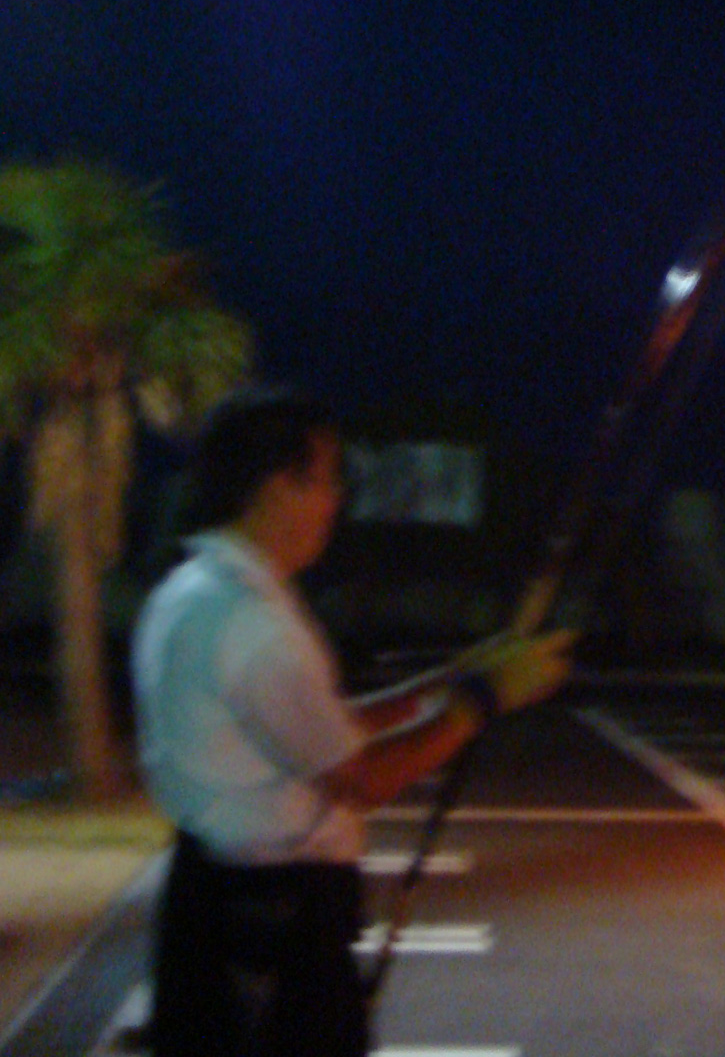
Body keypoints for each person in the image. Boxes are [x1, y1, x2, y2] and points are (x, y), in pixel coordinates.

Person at [132, 386, 574, 1057]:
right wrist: (485, 700)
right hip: (269, 924)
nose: (337, 500)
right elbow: (361, 779)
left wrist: (452, 678)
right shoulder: (252, 623)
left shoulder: (194, 590)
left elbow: (321, 726)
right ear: (280, 486)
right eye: (329, 478)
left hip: (217, 901)